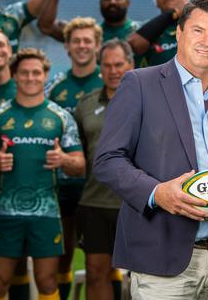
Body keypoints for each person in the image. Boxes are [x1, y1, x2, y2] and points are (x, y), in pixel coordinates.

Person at [93, 0, 208, 299]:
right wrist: (157, 193)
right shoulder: (139, 84)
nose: (207, 41)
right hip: (163, 260)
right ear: (179, 33)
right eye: (198, 30)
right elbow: (108, 160)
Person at [0, 48, 84, 300]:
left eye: (36, 72)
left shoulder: (61, 117)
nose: (30, 77)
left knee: (48, 282)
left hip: (46, 213)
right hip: (6, 213)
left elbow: (80, 165)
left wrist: (64, 160)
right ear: (15, 76)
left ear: (45, 75)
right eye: (24, 73)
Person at [43, 17, 104, 299]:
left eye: (87, 41)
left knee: (103, 258)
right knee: (63, 253)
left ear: (97, 45)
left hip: (102, 186)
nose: (82, 46)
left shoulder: (112, 82)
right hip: (64, 182)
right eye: (76, 41)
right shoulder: (55, 86)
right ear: (66, 46)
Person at [74, 39, 134, 300]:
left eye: (118, 64)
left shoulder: (149, 100)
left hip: (136, 202)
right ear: (100, 67)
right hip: (95, 201)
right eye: (107, 65)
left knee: (141, 276)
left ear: (130, 64)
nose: (113, 70)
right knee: (96, 272)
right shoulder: (85, 105)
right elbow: (82, 150)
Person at [38, 0, 142, 44]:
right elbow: (46, 26)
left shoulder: (142, 30)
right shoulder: (87, 34)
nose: (112, 2)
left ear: (128, 2)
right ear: (100, 3)